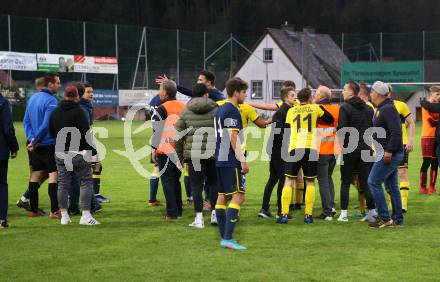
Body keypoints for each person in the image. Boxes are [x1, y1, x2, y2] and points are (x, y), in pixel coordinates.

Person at [278, 88, 334, 224]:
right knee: (310, 182)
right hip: (310, 149)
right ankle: (308, 215)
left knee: (288, 181)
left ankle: (284, 213)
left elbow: (286, 129)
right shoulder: (315, 108)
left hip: (295, 147)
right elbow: (330, 119)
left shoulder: (291, 111)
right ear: (309, 98)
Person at [49, 84, 100, 225]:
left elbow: (51, 131)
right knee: (86, 182)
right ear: (77, 96)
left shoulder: (55, 111)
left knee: (63, 185)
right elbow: (86, 134)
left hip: (60, 152)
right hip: (78, 152)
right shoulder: (79, 111)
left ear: (64, 95)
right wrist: (93, 155)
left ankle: (64, 217)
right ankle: (86, 216)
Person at [175, 83, 218, 228]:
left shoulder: (186, 111)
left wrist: (179, 155)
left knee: (196, 187)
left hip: (194, 155)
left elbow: (178, 136)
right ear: (206, 94)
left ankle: (199, 219)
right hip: (213, 153)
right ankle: (214, 215)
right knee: (213, 185)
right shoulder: (216, 109)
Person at [214, 77, 249, 250]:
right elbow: (232, 136)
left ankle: (224, 237)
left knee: (222, 197)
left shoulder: (219, 110)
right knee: (239, 195)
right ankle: (228, 238)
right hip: (229, 159)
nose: (245, 95)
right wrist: (242, 161)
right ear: (236, 92)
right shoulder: (232, 111)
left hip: (219, 158)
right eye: (243, 92)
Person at [337, 81, 376, 223]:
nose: (342, 92)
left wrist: (341, 149)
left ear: (352, 92)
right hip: (365, 147)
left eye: (344, 89)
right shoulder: (368, 108)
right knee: (365, 181)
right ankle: (372, 212)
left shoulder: (345, 107)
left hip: (350, 148)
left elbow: (342, 131)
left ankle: (343, 214)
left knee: (345, 182)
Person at [23, 72, 61, 218]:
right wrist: (36, 140)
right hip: (47, 144)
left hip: (33, 145)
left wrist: (31, 139)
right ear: (49, 84)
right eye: (57, 82)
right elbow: (46, 126)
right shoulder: (52, 101)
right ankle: (54, 211)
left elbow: (26, 121)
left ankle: (33, 210)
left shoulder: (32, 98)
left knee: (35, 175)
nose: (59, 85)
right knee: (54, 175)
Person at [368, 81, 404, 228]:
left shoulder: (387, 109)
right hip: (388, 152)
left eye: (371, 92)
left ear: (377, 93)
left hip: (389, 153)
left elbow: (397, 132)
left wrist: (388, 151)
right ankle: (397, 219)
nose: (370, 94)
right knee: (391, 187)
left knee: (373, 182)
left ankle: (384, 217)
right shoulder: (383, 107)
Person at [259, 86, 296, 218]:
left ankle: (264, 208)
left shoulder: (287, 110)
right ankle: (281, 211)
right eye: (292, 95)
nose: (295, 97)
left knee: (273, 179)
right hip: (278, 150)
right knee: (282, 179)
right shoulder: (282, 112)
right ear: (285, 97)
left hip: (277, 149)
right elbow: (278, 133)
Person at [151, 80, 186, 220]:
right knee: (176, 180)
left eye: (160, 89)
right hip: (180, 150)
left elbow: (157, 131)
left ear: (165, 92)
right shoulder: (184, 107)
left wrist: (153, 149)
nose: (159, 92)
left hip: (165, 150)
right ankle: (179, 209)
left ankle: (172, 213)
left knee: (167, 181)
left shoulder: (162, 108)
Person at [80, 83, 110, 204]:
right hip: (86, 143)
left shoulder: (87, 105)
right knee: (90, 168)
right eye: (88, 92)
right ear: (81, 93)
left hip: (88, 141)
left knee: (96, 166)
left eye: (92, 91)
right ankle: (92, 196)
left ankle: (94, 195)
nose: (91, 94)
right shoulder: (82, 107)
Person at [314, 86, 339, 221]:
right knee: (328, 178)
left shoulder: (316, 109)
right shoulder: (337, 108)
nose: (315, 95)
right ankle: (332, 206)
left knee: (322, 180)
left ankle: (328, 212)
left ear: (321, 96)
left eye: (316, 93)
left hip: (322, 149)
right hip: (334, 148)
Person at [388, 85, 415, 211]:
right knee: (387, 175)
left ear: (389, 93)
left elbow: (411, 122)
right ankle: (390, 203)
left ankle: (403, 204)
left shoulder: (400, 105)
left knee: (402, 172)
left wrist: (410, 140)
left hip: (401, 144)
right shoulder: (379, 108)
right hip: (386, 145)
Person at [0, 89, 19, 228]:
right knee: (1, 184)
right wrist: (14, 147)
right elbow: (7, 128)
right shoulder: (3, 103)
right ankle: (1, 220)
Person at [419, 86, 440, 194]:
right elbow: (431, 121)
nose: (439, 96)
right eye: (437, 94)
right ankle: (422, 187)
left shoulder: (436, 106)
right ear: (431, 94)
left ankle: (432, 186)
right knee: (426, 162)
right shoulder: (427, 105)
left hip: (436, 137)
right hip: (427, 136)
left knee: (435, 163)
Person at [156, 70, 225, 102]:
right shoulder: (216, 93)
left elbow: (190, 93)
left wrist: (171, 84)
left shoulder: (211, 93)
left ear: (209, 83)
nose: (198, 82)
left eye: (200, 80)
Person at [147, 94, 162, 207]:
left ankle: (152, 199)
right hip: (165, 137)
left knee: (156, 169)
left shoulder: (153, 100)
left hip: (155, 137)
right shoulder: (164, 100)